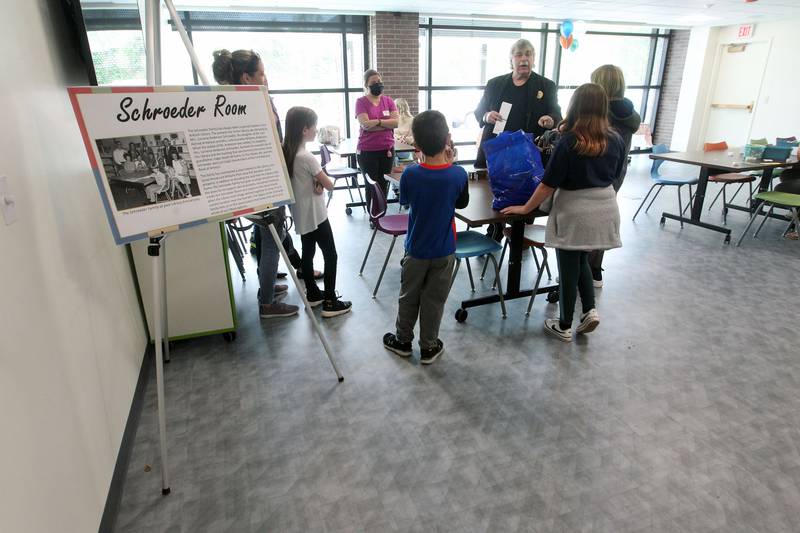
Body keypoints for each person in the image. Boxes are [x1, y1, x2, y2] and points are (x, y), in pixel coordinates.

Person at [502, 83, 624, 342]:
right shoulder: (615, 138)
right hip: (605, 205)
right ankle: (589, 310)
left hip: (575, 209)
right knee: (581, 259)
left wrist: (526, 208)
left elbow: (548, 183)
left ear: (575, 106)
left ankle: (565, 324)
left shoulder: (569, 141)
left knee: (568, 266)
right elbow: (616, 175)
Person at [212, 48, 299, 318]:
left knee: (269, 237)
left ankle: (267, 290)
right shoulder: (250, 106)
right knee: (273, 239)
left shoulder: (242, 102)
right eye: (260, 73)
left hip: (264, 181)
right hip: (265, 183)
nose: (266, 78)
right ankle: (267, 304)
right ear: (246, 77)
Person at [383, 110, 470, 365]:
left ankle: (402, 341)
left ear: (417, 146)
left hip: (416, 250)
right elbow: (461, 203)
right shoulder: (457, 174)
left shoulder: (411, 174)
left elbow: (406, 200)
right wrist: (451, 163)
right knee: (434, 301)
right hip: (444, 250)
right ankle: (429, 347)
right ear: (448, 140)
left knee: (408, 296)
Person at [474, 38, 562, 240]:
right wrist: (487, 116)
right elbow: (480, 111)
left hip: (529, 153)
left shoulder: (546, 86)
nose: (524, 59)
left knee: (526, 194)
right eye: (519, 55)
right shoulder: (496, 84)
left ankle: (520, 235)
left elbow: (557, 115)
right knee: (494, 194)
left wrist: (551, 120)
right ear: (511, 60)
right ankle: (494, 229)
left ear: (534, 59)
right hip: (499, 151)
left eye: (528, 55)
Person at [283, 106, 352, 318]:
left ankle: (313, 293)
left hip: (301, 213)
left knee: (308, 252)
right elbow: (329, 184)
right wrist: (320, 180)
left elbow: (305, 183)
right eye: (314, 126)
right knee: (331, 255)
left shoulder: (287, 151)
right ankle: (330, 300)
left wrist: (316, 182)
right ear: (305, 129)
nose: (316, 130)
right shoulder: (306, 157)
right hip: (316, 214)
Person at [587, 64, 642, 287]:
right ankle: (594, 270)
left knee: (586, 220)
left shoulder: (601, 114)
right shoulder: (628, 113)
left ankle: (581, 269)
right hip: (616, 174)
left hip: (594, 173)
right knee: (601, 218)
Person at [356, 69, 399, 207]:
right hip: (367, 151)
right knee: (371, 184)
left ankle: (382, 211)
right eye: (374, 82)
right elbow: (365, 125)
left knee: (384, 182)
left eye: (379, 81)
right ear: (366, 85)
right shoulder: (361, 102)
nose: (378, 84)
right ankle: (373, 215)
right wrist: (386, 124)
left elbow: (396, 123)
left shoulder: (388, 101)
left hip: (387, 150)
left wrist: (378, 122)